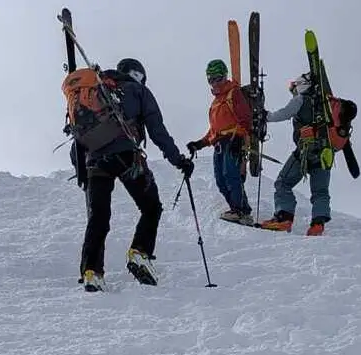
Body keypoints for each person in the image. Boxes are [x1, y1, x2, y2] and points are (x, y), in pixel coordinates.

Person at [66, 57, 194, 291]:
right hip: (126, 157)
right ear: (138, 75)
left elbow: (78, 136)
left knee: (99, 216)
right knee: (151, 207)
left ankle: (91, 271)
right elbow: (157, 130)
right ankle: (139, 253)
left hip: (94, 162)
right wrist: (179, 160)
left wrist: (81, 168)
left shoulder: (95, 91)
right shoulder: (138, 91)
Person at [256, 72, 330, 236]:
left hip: (305, 151)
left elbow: (285, 113)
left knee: (283, 183)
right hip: (325, 153)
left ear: (302, 84)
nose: (294, 92)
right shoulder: (327, 106)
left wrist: (266, 116)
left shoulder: (302, 99)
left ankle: (284, 218)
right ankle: (318, 225)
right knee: (320, 192)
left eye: (294, 88)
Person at [185, 59, 255, 226]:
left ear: (225, 76)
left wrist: (241, 139)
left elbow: (246, 119)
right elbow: (214, 130)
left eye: (218, 78)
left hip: (233, 140)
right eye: (211, 79)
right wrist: (199, 144)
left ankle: (240, 210)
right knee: (220, 180)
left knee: (231, 176)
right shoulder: (216, 102)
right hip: (220, 143)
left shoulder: (234, 93)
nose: (214, 83)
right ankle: (238, 209)